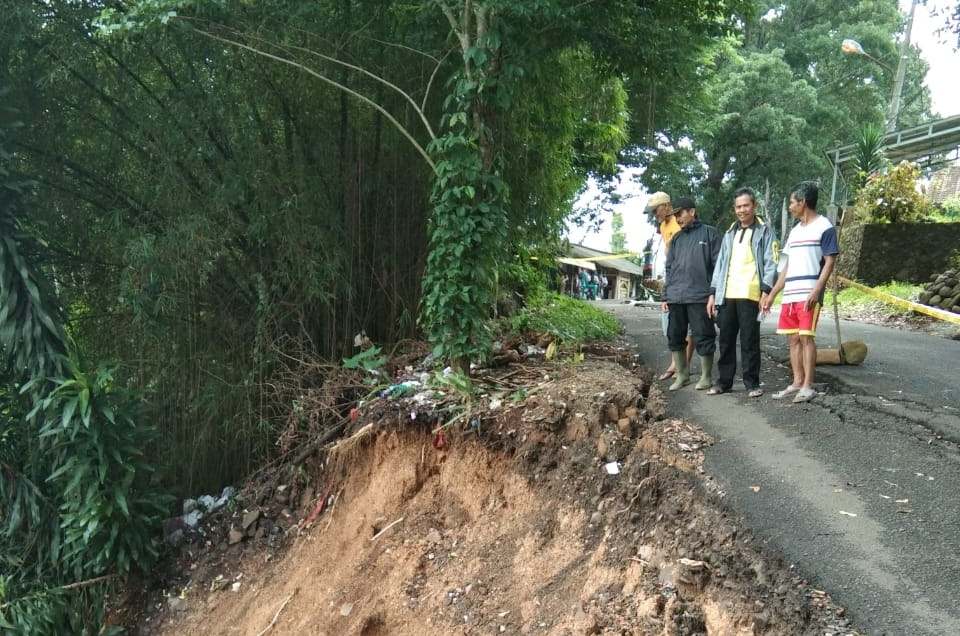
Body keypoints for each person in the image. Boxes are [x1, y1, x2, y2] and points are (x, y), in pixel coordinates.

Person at [762, 182, 839, 403]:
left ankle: (808, 385)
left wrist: (817, 289)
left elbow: (829, 261)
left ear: (803, 202)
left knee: (806, 337)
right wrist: (773, 294)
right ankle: (796, 382)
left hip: (808, 292)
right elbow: (786, 267)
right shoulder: (794, 232)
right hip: (791, 293)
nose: (790, 207)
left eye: (792, 202)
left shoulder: (825, 226)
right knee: (793, 339)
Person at [706, 187, 779, 397]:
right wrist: (712, 293)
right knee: (726, 340)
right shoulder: (730, 232)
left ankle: (752, 383)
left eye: (746, 205)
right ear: (734, 209)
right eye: (738, 206)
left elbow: (771, 261)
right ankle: (724, 382)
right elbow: (720, 265)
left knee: (749, 341)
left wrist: (766, 290)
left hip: (750, 293)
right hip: (727, 294)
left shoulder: (765, 231)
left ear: (754, 206)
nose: (742, 210)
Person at [662, 197, 721, 391]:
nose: (677, 218)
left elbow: (718, 267)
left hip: (700, 296)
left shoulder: (710, 234)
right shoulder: (676, 239)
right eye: (675, 215)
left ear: (692, 212)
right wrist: (665, 295)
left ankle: (706, 376)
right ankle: (682, 375)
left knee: (704, 335)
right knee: (674, 335)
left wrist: (713, 293)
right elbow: (669, 267)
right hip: (676, 297)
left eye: (680, 213)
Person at [645, 191, 695, 381]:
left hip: (685, 278)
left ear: (666, 206)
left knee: (685, 325)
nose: (654, 214)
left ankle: (681, 365)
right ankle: (678, 363)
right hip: (671, 277)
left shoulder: (678, 223)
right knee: (670, 324)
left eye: (655, 210)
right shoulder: (663, 226)